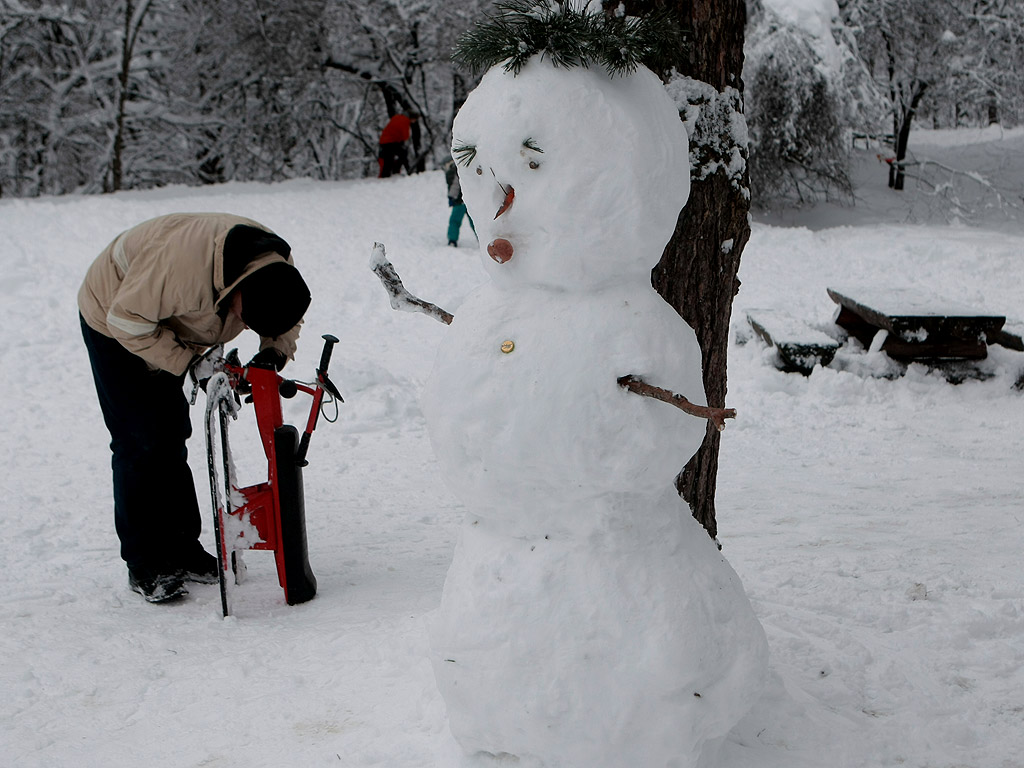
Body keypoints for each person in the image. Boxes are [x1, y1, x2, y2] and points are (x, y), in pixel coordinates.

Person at [78, 213, 311, 603]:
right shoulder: (181, 272)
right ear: (238, 289)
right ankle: (145, 563)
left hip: (166, 320)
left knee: (170, 434)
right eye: (244, 317)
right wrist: (189, 364)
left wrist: (272, 353)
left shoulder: (275, 270)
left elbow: (286, 317)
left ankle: (182, 550)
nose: (243, 323)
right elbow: (127, 319)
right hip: (116, 318)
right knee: (139, 439)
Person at [378, 111, 419, 177]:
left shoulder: (396, 117)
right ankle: (405, 171)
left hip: (384, 141)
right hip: (391, 142)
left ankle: (387, 175)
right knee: (403, 154)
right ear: (412, 118)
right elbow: (405, 135)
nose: (414, 122)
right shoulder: (405, 121)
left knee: (388, 160)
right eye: (415, 120)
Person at [445, 160, 476, 247]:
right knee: (475, 221)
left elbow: (455, 185)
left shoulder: (455, 171)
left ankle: (452, 240)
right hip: (470, 200)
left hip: (460, 201)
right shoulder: (467, 169)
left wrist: (451, 197)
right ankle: (483, 239)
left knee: (455, 221)